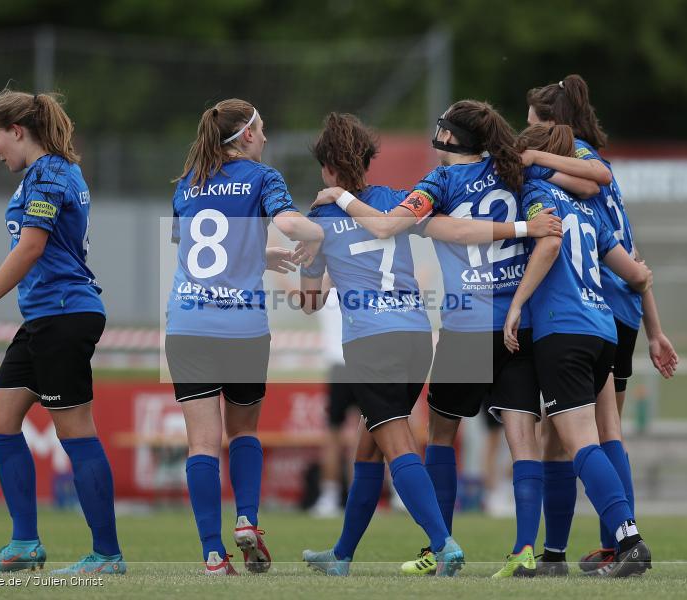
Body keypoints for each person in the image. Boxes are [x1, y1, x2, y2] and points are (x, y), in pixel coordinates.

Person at [310, 101, 598, 577]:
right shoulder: (516, 172)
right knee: (522, 439)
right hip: (517, 322)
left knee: (440, 436)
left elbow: (396, 225)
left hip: (465, 324)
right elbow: (589, 185)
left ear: (447, 138)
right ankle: (525, 549)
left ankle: (440, 547)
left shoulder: (438, 184)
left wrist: (338, 199)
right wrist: (525, 234)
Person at [0, 88, 125, 575]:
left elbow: (30, 248)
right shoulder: (46, 174)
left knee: (75, 431)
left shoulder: (48, 174)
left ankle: (107, 555)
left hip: (65, 314)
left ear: (17, 131)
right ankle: (24, 543)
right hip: (44, 317)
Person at [298, 112, 466, 577]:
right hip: (415, 334)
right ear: (366, 161)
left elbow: (311, 302)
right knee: (368, 448)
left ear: (329, 167)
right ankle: (342, 554)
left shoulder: (322, 215)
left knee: (395, 445)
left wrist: (304, 268)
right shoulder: (392, 201)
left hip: (371, 341)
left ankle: (443, 542)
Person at [523, 75, 678, 575]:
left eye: (532, 126)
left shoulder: (575, 160)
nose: (525, 135)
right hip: (618, 311)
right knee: (588, 431)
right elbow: (634, 260)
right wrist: (654, 328)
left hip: (585, 307)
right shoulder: (587, 171)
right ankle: (590, 545)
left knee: (578, 434)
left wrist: (533, 162)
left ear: (553, 128)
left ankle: (617, 541)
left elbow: (594, 181)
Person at [166, 98, 324, 575]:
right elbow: (290, 224)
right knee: (243, 432)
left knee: (201, 444)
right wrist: (319, 235)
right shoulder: (262, 177)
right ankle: (248, 520)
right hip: (241, 327)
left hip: (188, 324)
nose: (268, 138)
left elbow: (199, 249)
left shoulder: (188, 185)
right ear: (248, 136)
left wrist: (262, 256)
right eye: (264, 129)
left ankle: (214, 555)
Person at [503, 121, 655, 578]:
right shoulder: (590, 206)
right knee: (586, 438)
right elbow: (635, 274)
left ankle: (629, 540)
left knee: (578, 442)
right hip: (603, 328)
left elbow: (548, 245)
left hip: (562, 330)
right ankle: (553, 556)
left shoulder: (535, 191)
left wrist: (516, 305)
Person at [309, 279, 358, 518]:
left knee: (340, 435)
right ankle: (333, 496)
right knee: (342, 435)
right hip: (350, 365)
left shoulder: (327, 289)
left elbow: (296, 297)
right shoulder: (356, 283)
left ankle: (335, 496)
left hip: (350, 365)